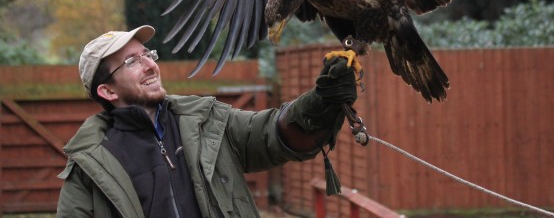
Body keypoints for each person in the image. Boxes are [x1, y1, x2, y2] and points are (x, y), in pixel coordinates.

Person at [56, 25, 358, 217]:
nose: (150, 65)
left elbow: (273, 134)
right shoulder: (89, 166)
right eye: (132, 61)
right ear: (107, 90)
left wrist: (321, 103)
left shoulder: (207, 119)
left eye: (147, 54)